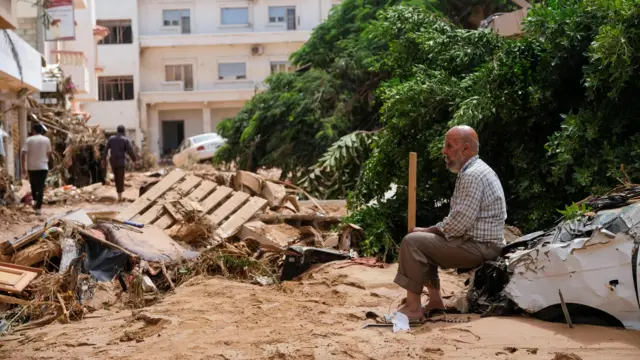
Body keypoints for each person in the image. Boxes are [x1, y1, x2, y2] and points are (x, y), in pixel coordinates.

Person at [394, 125, 507, 321]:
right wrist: (430, 232)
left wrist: (427, 230)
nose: (444, 151)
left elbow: (459, 223)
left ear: (465, 148)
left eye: (449, 146)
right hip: (482, 244)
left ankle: (413, 308)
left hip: (480, 247)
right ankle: (436, 300)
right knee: (423, 241)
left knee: (412, 242)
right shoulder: (477, 170)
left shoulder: (472, 175)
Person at [21, 124, 52, 216]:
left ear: (34, 130)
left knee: (34, 185)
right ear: (42, 131)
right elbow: (49, 152)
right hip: (43, 167)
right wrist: (46, 160)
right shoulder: (46, 140)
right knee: (40, 187)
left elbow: (23, 153)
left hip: (32, 167)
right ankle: (38, 208)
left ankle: (35, 201)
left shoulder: (29, 140)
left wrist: (23, 167)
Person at [103, 125, 137, 202]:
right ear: (123, 131)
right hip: (121, 162)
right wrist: (134, 160)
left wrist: (103, 159)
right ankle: (120, 196)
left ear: (117, 131)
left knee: (116, 177)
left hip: (113, 162)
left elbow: (105, 149)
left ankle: (119, 194)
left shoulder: (111, 139)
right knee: (120, 178)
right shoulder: (125, 140)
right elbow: (130, 151)